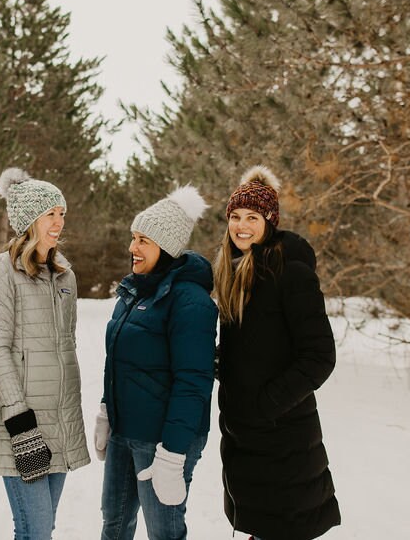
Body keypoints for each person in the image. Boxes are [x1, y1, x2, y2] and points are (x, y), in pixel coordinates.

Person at [214, 166, 341, 540]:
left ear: (269, 221)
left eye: (252, 218)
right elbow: (258, 346)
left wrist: (267, 405)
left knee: (283, 528)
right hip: (246, 441)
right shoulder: (235, 272)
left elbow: (319, 355)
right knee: (262, 528)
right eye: (235, 217)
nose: (241, 226)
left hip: (282, 439)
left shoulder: (291, 272)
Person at [0, 168, 90, 540]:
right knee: (35, 531)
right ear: (28, 221)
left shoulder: (64, 275)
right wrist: (20, 422)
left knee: (39, 530)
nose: (58, 222)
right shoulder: (0, 272)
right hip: (23, 424)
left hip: (60, 422)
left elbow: (65, 347)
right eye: (49, 214)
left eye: (61, 214)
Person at [96, 185, 218, 540]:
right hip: (125, 432)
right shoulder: (134, 291)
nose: (132, 248)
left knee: (164, 533)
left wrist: (173, 453)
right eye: (133, 238)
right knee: (114, 525)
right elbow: (118, 360)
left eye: (142, 241)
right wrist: (106, 410)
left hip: (163, 442)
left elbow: (193, 382)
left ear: (165, 247)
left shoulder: (191, 302)